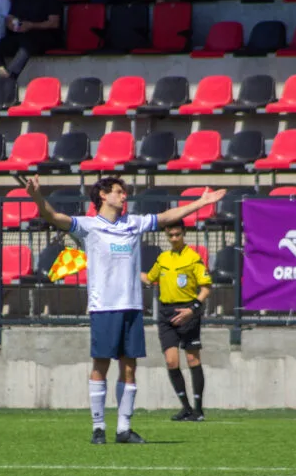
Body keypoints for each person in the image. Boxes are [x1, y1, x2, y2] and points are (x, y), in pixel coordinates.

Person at [26, 175, 225, 444]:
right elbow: (51, 215)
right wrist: (37, 195)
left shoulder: (133, 223)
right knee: (100, 366)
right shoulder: (88, 226)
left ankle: (123, 429)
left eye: (123, 192)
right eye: (119, 192)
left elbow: (167, 217)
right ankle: (98, 427)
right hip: (104, 308)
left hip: (132, 307)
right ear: (103, 196)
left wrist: (201, 202)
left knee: (129, 368)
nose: (124, 196)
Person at [141, 222, 211, 422]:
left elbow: (206, 287)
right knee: (172, 361)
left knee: (192, 359)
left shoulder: (193, 258)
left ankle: (198, 409)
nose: (174, 238)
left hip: (187, 310)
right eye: (170, 235)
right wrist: (130, 270)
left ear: (184, 234)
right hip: (166, 313)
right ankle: (186, 408)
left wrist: (192, 310)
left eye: (177, 234)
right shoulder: (163, 258)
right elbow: (149, 278)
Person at [0, 0, 62, 80]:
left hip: (43, 36)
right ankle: (1, 73)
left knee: (26, 47)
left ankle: (10, 77)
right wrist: (10, 23)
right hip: (21, 35)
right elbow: (10, 17)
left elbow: (54, 23)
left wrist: (31, 25)